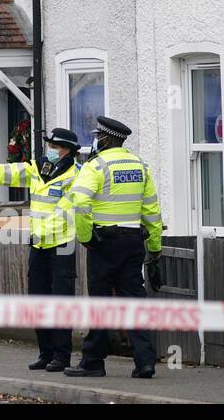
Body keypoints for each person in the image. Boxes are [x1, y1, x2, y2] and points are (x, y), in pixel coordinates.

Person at [0, 127, 82, 372]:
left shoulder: (77, 176)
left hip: (62, 245)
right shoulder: (39, 169)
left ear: (68, 150)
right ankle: (45, 353)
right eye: (49, 145)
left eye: (55, 146)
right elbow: (7, 172)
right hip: (39, 245)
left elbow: (70, 210)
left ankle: (61, 356)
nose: (50, 150)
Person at [62, 115, 163, 379]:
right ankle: (145, 361)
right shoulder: (140, 165)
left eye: (98, 137)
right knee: (135, 302)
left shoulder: (96, 166)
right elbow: (151, 210)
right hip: (133, 242)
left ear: (106, 139)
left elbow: (80, 203)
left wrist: (86, 238)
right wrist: (155, 246)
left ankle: (93, 361)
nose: (96, 141)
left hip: (104, 243)